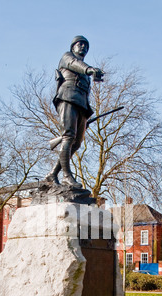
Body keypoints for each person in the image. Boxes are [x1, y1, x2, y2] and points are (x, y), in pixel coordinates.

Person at [46, 35, 104, 189]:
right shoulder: (68, 57)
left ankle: (53, 173)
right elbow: (75, 64)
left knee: (76, 143)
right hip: (67, 98)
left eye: (86, 45)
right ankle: (66, 176)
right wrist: (90, 69)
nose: (83, 47)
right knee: (68, 137)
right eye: (80, 44)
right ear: (73, 47)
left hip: (82, 106)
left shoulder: (85, 73)